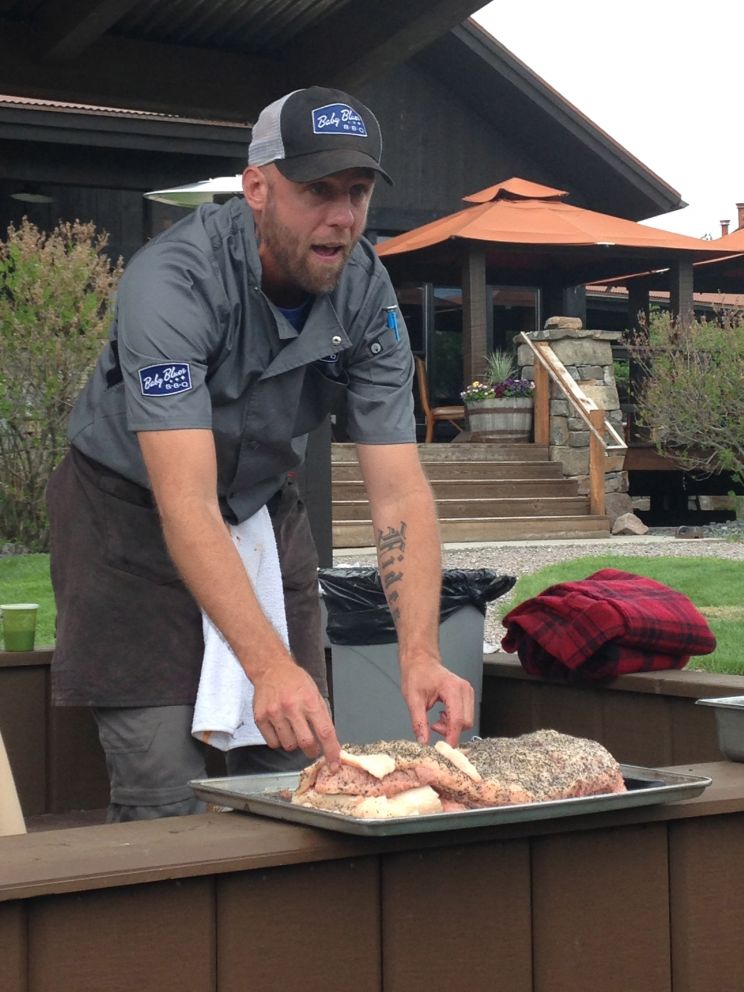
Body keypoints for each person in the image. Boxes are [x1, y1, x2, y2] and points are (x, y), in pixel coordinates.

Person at [46, 85, 475, 822]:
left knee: (301, 766)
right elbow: (185, 500)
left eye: (357, 192)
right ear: (256, 188)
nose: (342, 217)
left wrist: (419, 653)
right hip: (128, 518)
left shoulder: (367, 294)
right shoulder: (172, 282)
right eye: (317, 191)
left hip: (260, 510)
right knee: (163, 782)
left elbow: (399, 493)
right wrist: (268, 665)